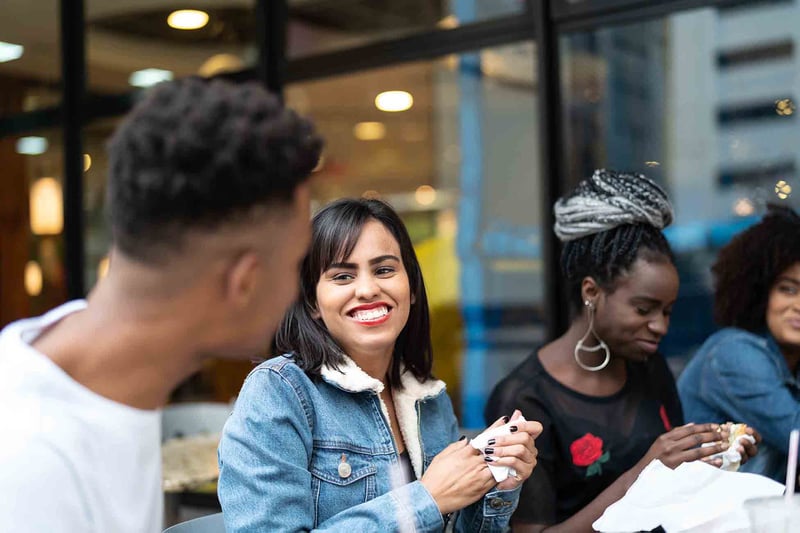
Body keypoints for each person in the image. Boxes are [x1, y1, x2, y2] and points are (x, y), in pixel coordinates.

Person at [0, 78, 323, 532]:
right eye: (295, 263)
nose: (298, 288)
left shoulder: (110, 392)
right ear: (243, 282)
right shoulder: (29, 466)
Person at [217, 198, 543, 531]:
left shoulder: (429, 399)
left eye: (384, 270)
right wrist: (425, 499)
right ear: (313, 302)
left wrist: (500, 482)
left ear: (412, 287)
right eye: (343, 276)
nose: (368, 289)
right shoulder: (279, 391)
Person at [485, 169, 758, 532]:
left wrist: (718, 456)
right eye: (644, 310)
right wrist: (644, 474)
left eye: (667, 312)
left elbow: (676, 496)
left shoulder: (650, 369)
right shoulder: (525, 400)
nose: (660, 326)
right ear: (591, 292)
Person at [678, 204, 800, 483]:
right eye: (788, 289)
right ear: (760, 292)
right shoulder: (734, 353)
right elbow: (797, 436)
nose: (798, 305)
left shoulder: (793, 361)